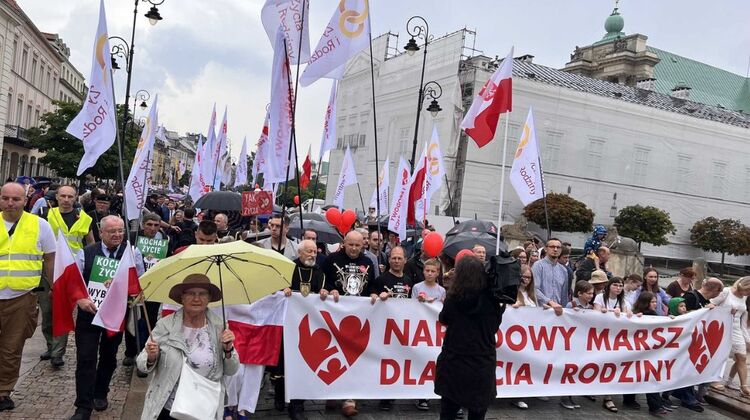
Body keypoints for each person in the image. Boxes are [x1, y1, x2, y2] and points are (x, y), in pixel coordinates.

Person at [71, 216, 145, 420]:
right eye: (112, 231)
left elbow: (139, 282)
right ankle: (83, 406)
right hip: (89, 313)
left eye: (121, 231)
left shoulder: (132, 253)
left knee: (109, 356)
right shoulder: (85, 254)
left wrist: (124, 287)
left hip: (115, 314)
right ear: (101, 232)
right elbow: (74, 282)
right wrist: (81, 300)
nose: (117, 235)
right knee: (86, 358)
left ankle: (100, 393)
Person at [136, 274, 239, 420]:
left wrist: (228, 350)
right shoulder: (165, 325)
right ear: (182, 298)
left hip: (204, 409)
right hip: (168, 408)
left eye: (202, 294)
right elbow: (141, 364)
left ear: (209, 298)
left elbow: (231, 370)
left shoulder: (219, 327)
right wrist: (151, 357)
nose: (196, 299)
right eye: (191, 293)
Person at [0, 182, 56, 413]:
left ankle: (4, 391)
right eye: (5, 198)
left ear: (26, 200)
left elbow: (50, 258)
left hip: (22, 297)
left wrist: (53, 287)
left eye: (16, 199)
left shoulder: (39, 225)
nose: (10, 203)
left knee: (11, 347)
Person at [266, 239, 336, 420]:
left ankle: (297, 406)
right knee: (284, 363)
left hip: (309, 327)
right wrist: (284, 289)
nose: (313, 255)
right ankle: (280, 395)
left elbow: (325, 290)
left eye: (314, 251)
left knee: (305, 364)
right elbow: (275, 289)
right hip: (287, 325)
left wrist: (326, 293)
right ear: (300, 253)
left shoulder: (320, 272)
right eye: (309, 251)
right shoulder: (289, 269)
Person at [435, 256, 504, 420]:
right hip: (482, 362)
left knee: (448, 412)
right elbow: (494, 326)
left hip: (455, 361)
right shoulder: (492, 300)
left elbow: (444, 319)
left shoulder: (454, 299)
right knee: (477, 413)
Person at [37, 185, 95, 368]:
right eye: (63, 196)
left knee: (62, 311)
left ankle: (57, 352)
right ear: (57, 197)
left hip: (70, 271)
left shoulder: (85, 219)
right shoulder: (46, 215)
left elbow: (90, 242)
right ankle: (50, 345)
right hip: (47, 269)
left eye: (70, 196)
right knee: (46, 313)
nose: (66, 199)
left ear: (75, 197)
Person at [320, 230, 374, 417]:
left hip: (358, 319)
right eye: (350, 244)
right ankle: (331, 393)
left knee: (354, 357)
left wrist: (374, 294)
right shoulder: (331, 259)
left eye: (357, 245)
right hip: (335, 316)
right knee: (333, 354)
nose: (353, 248)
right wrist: (329, 289)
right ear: (344, 243)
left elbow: (372, 286)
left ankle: (350, 398)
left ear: (363, 245)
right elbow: (322, 282)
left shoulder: (367, 263)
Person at [684, 277, 723, 404]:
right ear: (715, 290)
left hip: (697, 340)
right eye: (719, 291)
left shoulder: (706, 300)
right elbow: (684, 315)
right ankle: (686, 397)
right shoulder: (691, 296)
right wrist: (704, 310)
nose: (719, 294)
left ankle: (691, 394)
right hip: (687, 340)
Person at [630, 291, 669, 416]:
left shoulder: (645, 314)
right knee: (647, 377)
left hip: (644, 352)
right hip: (643, 351)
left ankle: (631, 400)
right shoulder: (647, 315)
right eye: (652, 302)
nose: (655, 304)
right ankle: (654, 406)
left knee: (640, 376)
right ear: (645, 303)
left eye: (655, 301)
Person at [710, 277, 750, 397]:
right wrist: (727, 311)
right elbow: (711, 305)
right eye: (748, 291)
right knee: (720, 355)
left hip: (736, 328)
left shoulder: (744, 296)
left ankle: (744, 386)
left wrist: (746, 337)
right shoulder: (726, 292)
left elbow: (742, 314)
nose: (748, 294)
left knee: (742, 357)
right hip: (722, 327)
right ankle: (714, 379)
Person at [532, 238, 569, 311]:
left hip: (557, 312)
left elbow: (564, 295)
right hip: (541, 310)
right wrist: (549, 302)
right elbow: (534, 289)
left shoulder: (563, 270)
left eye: (558, 247)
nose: (555, 249)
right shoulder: (538, 266)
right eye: (552, 247)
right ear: (546, 249)